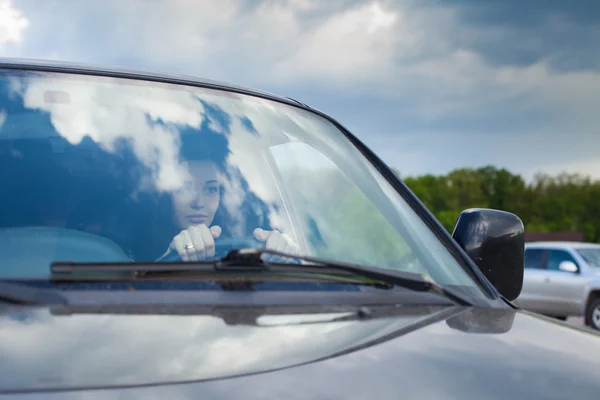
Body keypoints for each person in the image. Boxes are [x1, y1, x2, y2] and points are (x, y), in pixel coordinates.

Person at [156, 131, 299, 262]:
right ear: (168, 195)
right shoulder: (135, 249)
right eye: (186, 188)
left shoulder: (239, 243)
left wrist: (284, 251)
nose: (199, 202)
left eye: (211, 189)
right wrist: (168, 257)